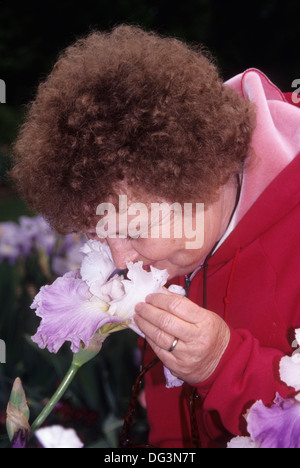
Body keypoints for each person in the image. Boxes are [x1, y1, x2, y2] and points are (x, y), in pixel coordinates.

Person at [11, 25, 300, 448]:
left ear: (208, 177)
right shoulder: (174, 250)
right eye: (99, 234)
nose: (122, 262)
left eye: (135, 230)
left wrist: (225, 363)